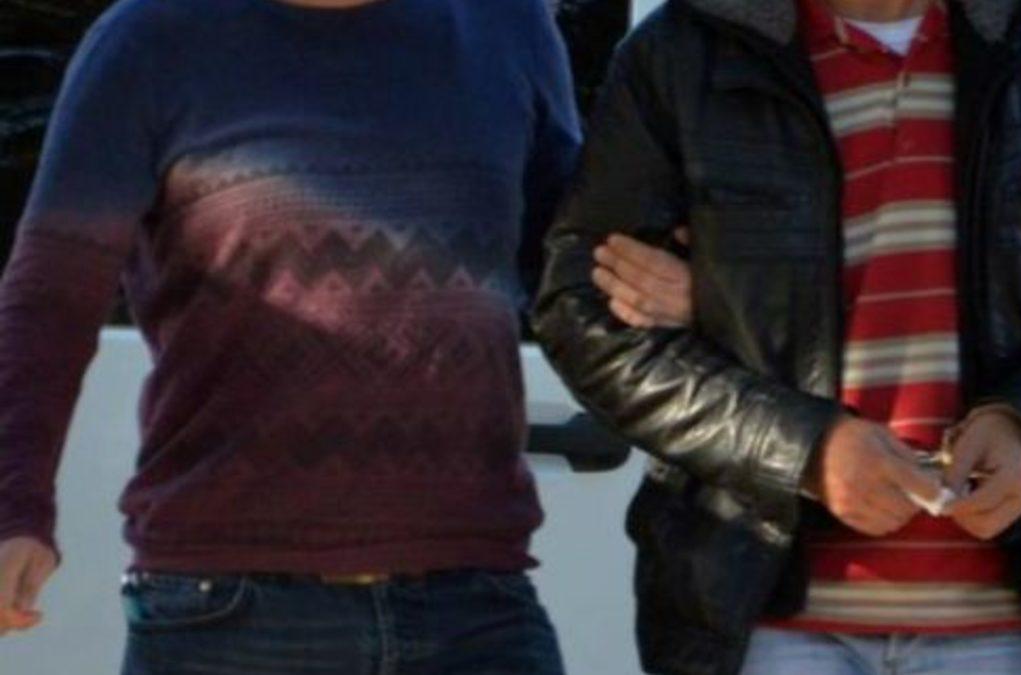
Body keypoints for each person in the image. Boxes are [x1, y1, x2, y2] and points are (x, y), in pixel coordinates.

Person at [534, 1, 1021, 674]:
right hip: (758, 620)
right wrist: (804, 451)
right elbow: (584, 315)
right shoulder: (683, 48)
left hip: (1002, 620)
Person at [0, 0, 621, 671]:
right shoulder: (150, 38)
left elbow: (575, 261)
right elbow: (51, 296)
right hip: (230, 611)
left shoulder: (506, 24)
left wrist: (676, 269)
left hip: (475, 604)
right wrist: (13, 507)